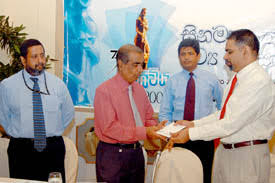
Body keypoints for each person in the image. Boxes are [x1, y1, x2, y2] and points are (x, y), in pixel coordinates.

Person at [167, 29, 275, 183]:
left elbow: (230, 124)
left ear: (244, 50)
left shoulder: (258, 81)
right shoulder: (237, 78)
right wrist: (192, 124)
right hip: (227, 152)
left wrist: (190, 134)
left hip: (246, 156)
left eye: (229, 52)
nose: (225, 57)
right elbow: (223, 114)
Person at [0, 39, 74, 182]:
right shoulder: (7, 86)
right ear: (23, 60)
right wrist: (20, 134)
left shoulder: (58, 84)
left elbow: (68, 114)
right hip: (21, 151)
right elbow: (3, 117)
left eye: (42, 55)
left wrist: (51, 133)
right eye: (34, 57)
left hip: (53, 149)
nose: (40, 60)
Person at [94, 44, 166, 183]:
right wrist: (145, 132)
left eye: (142, 65)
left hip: (136, 154)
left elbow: (148, 118)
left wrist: (157, 129)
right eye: (135, 65)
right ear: (120, 64)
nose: (140, 70)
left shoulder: (139, 90)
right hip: (112, 156)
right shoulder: (104, 91)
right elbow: (109, 128)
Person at [159, 38, 223, 183]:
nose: (186, 57)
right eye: (182, 54)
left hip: (203, 136)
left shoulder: (211, 80)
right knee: (177, 177)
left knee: (203, 176)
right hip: (177, 136)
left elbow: (223, 108)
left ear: (198, 56)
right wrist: (170, 134)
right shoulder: (172, 81)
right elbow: (165, 112)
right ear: (179, 57)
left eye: (190, 53)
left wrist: (213, 129)